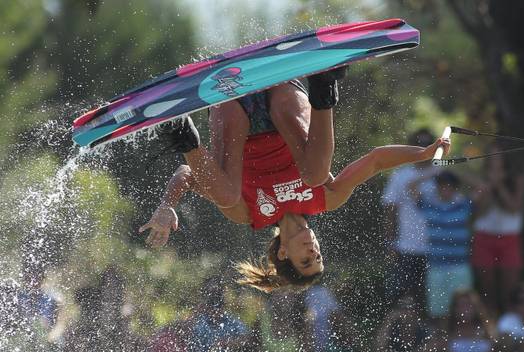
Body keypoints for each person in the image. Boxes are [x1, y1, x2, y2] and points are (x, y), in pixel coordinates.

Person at [140, 73, 451, 293]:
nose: (313, 250)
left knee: (228, 194)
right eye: (318, 255)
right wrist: (423, 153)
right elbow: (376, 161)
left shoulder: (249, 215)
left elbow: (186, 174)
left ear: (284, 254)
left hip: (234, 111)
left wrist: (167, 206)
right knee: (316, 175)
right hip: (283, 102)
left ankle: (179, 131)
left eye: (306, 259)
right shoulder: (327, 199)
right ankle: (324, 88)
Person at [381, 129, 437, 312]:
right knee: (406, 297)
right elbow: (390, 212)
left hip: (437, 247)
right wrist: (390, 243)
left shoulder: (441, 172)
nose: (423, 148)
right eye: (419, 144)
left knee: (433, 299)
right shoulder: (400, 175)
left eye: (428, 144)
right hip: (406, 246)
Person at [408, 170, 473, 319]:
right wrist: (434, 172)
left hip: (460, 266)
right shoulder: (429, 205)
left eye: (450, 186)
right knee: (438, 312)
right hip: (437, 266)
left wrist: (458, 170)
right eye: (442, 186)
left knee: (463, 312)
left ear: (455, 188)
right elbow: (411, 185)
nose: (446, 190)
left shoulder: (463, 205)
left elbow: (484, 188)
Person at [471, 141, 524, 314]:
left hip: (509, 237)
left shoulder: (517, 177)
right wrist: (488, 188)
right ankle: (491, 331)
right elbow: (477, 212)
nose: (495, 160)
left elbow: (514, 207)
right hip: (484, 237)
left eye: (499, 156)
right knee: (488, 292)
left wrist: (499, 185)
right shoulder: (481, 177)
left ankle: (509, 329)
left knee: (510, 291)